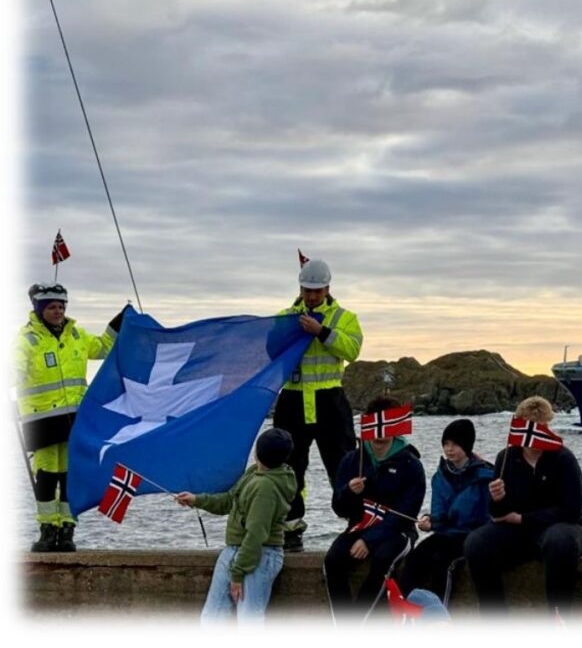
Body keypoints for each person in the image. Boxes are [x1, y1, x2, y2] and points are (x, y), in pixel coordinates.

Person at [14, 283, 124, 553]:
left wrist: (120, 323)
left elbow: (102, 348)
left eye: (61, 307)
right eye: (52, 307)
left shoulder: (76, 335)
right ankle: (47, 529)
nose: (58, 311)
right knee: (46, 475)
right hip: (41, 421)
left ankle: (67, 529)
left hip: (74, 419)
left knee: (69, 476)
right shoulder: (26, 340)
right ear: (39, 309)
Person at [463, 396, 582, 617]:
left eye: (540, 428)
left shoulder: (563, 458)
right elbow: (497, 515)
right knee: (476, 543)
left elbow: (571, 509)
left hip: (563, 527)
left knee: (559, 541)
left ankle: (559, 618)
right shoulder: (506, 458)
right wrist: (497, 499)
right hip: (519, 531)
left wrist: (524, 519)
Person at [273, 258, 363, 552]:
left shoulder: (345, 317)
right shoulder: (285, 317)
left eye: (317, 291)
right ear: (300, 288)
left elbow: (352, 350)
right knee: (289, 468)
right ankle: (291, 528)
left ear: (327, 288)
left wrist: (321, 331)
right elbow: (270, 350)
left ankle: (356, 524)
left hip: (330, 400)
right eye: (307, 290)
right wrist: (289, 331)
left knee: (343, 464)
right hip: (293, 399)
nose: (311, 296)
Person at [175, 428, 298, 624]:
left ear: (257, 451)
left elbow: (256, 533)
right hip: (234, 550)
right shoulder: (253, 473)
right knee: (212, 618)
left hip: (259, 555)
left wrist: (238, 573)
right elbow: (229, 501)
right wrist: (197, 500)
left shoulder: (265, 487)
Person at [324, 396, 426, 617]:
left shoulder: (411, 464)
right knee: (333, 560)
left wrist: (369, 541)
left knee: (383, 559)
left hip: (398, 532)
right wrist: (349, 492)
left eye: (387, 425)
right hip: (359, 526)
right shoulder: (352, 460)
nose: (381, 433)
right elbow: (339, 509)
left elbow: (406, 514)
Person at [398, 418, 494, 602]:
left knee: (444, 563)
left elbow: (485, 516)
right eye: (446, 444)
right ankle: (406, 605)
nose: (449, 449)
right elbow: (438, 508)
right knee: (415, 558)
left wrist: (442, 521)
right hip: (446, 533)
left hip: (471, 535)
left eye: (455, 444)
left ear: (466, 446)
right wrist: (429, 520)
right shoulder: (440, 475)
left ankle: (439, 610)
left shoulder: (486, 476)